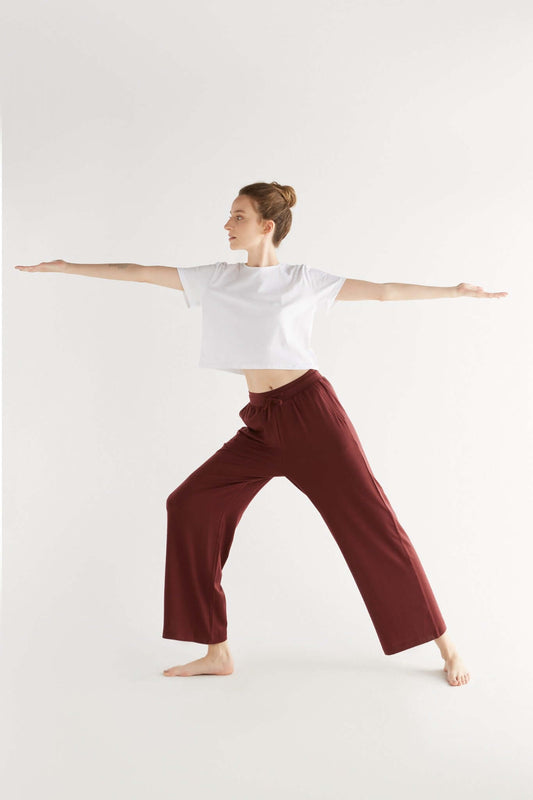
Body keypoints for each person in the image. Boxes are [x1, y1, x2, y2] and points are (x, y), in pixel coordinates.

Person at [15, 180, 508, 686]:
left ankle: (447, 646)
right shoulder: (217, 280)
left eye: (237, 217)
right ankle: (216, 650)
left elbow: (382, 292)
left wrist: (454, 291)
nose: (227, 226)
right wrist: (67, 266)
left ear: (266, 227)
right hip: (263, 421)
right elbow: (139, 272)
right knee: (189, 503)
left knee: (373, 525)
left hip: (313, 418)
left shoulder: (303, 280)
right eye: (229, 217)